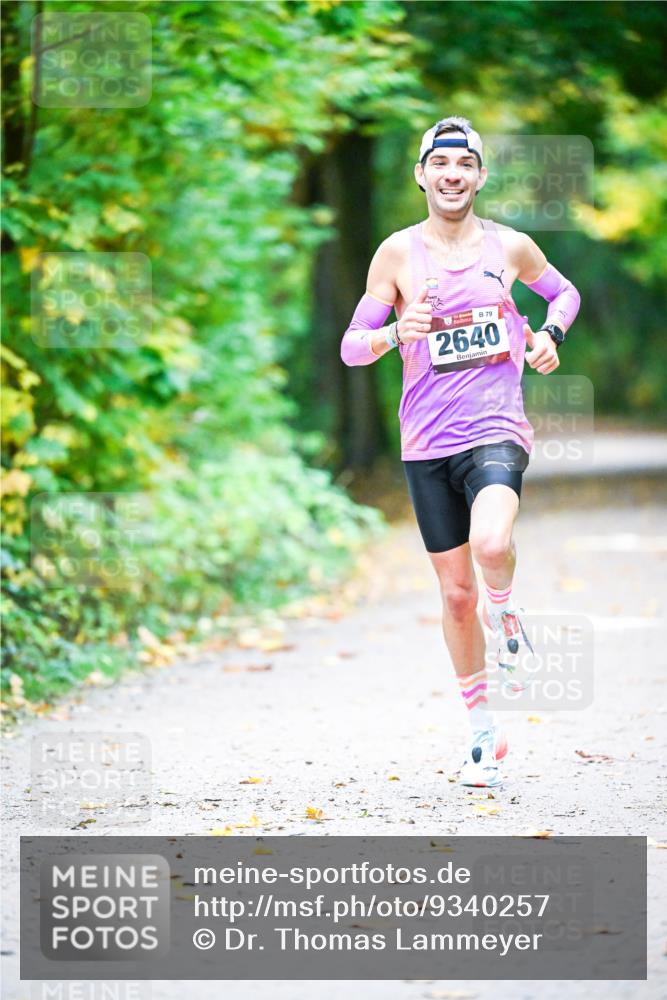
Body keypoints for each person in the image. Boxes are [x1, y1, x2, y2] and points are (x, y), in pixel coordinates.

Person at [340, 116, 580, 788]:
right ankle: (481, 733)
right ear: (421, 174)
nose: (451, 174)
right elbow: (350, 348)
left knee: (491, 545)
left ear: (477, 176)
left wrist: (547, 335)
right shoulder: (394, 256)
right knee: (451, 597)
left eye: (464, 163)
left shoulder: (509, 248)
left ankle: (504, 610)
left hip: (495, 429)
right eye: (439, 163)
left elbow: (563, 293)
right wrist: (394, 332)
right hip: (424, 445)